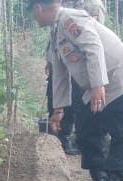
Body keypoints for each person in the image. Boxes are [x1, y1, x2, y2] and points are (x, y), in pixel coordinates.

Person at [31, 0, 123, 181]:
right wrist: (58, 110)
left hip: (118, 79)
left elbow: (93, 47)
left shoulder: (70, 19)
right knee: (87, 129)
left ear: (39, 8)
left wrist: (98, 85)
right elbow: (60, 74)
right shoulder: (56, 30)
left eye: (32, 12)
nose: (33, 17)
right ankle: (99, 179)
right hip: (95, 85)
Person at [44, 0, 105, 156]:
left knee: (78, 100)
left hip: (80, 63)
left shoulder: (92, 5)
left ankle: (82, 138)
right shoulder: (57, 4)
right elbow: (53, 36)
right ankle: (61, 137)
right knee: (56, 95)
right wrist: (50, 59)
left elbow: (93, 37)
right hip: (61, 59)